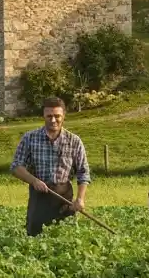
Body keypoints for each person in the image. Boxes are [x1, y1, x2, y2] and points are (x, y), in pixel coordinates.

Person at [11, 96, 90, 236]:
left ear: (63, 116)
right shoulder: (30, 138)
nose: (53, 120)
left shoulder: (74, 141)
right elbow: (16, 166)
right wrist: (34, 181)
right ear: (43, 116)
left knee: (65, 237)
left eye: (57, 116)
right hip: (39, 197)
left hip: (64, 198)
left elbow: (83, 172)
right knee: (35, 236)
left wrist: (80, 199)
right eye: (49, 116)